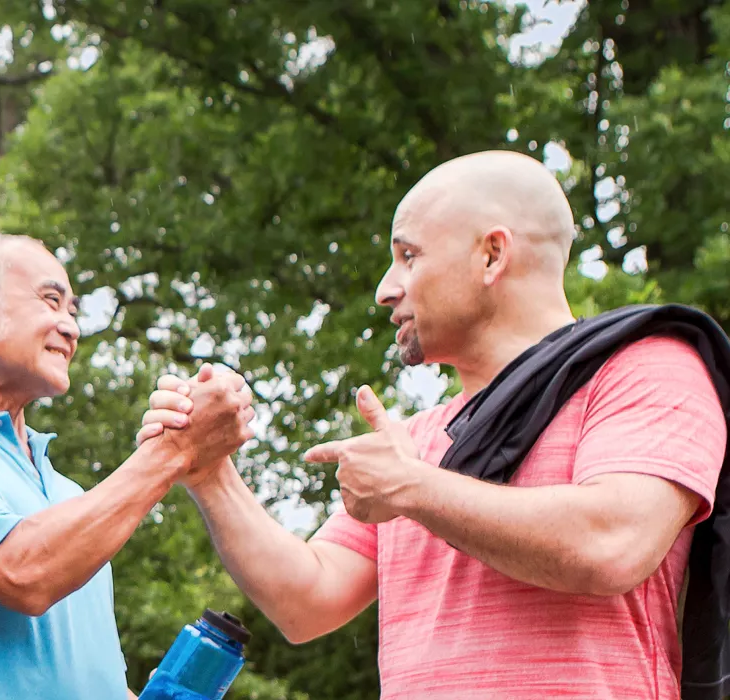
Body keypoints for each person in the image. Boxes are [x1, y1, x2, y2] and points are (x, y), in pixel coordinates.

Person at [143, 150, 728, 698]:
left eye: (409, 256)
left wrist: (415, 488)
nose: (384, 289)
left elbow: (611, 545)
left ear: (491, 255)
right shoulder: (416, 443)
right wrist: (206, 468)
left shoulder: (647, 369)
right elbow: (308, 600)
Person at [0, 233, 256, 699]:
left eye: (74, 311)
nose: (71, 328)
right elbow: (26, 574)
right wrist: (173, 450)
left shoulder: (68, 494)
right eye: (51, 301)